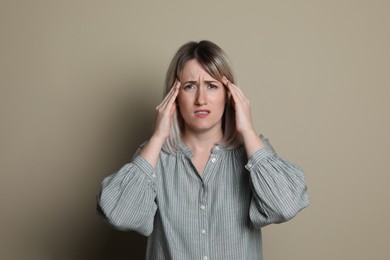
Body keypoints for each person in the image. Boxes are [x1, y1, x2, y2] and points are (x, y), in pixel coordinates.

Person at [96, 40, 309, 259]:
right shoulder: (154, 155)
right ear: (175, 95)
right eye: (190, 86)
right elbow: (118, 215)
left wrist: (246, 130)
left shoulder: (253, 151)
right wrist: (158, 136)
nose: (201, 99)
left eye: (211, 85)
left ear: (229, 94)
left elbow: (286, 205)